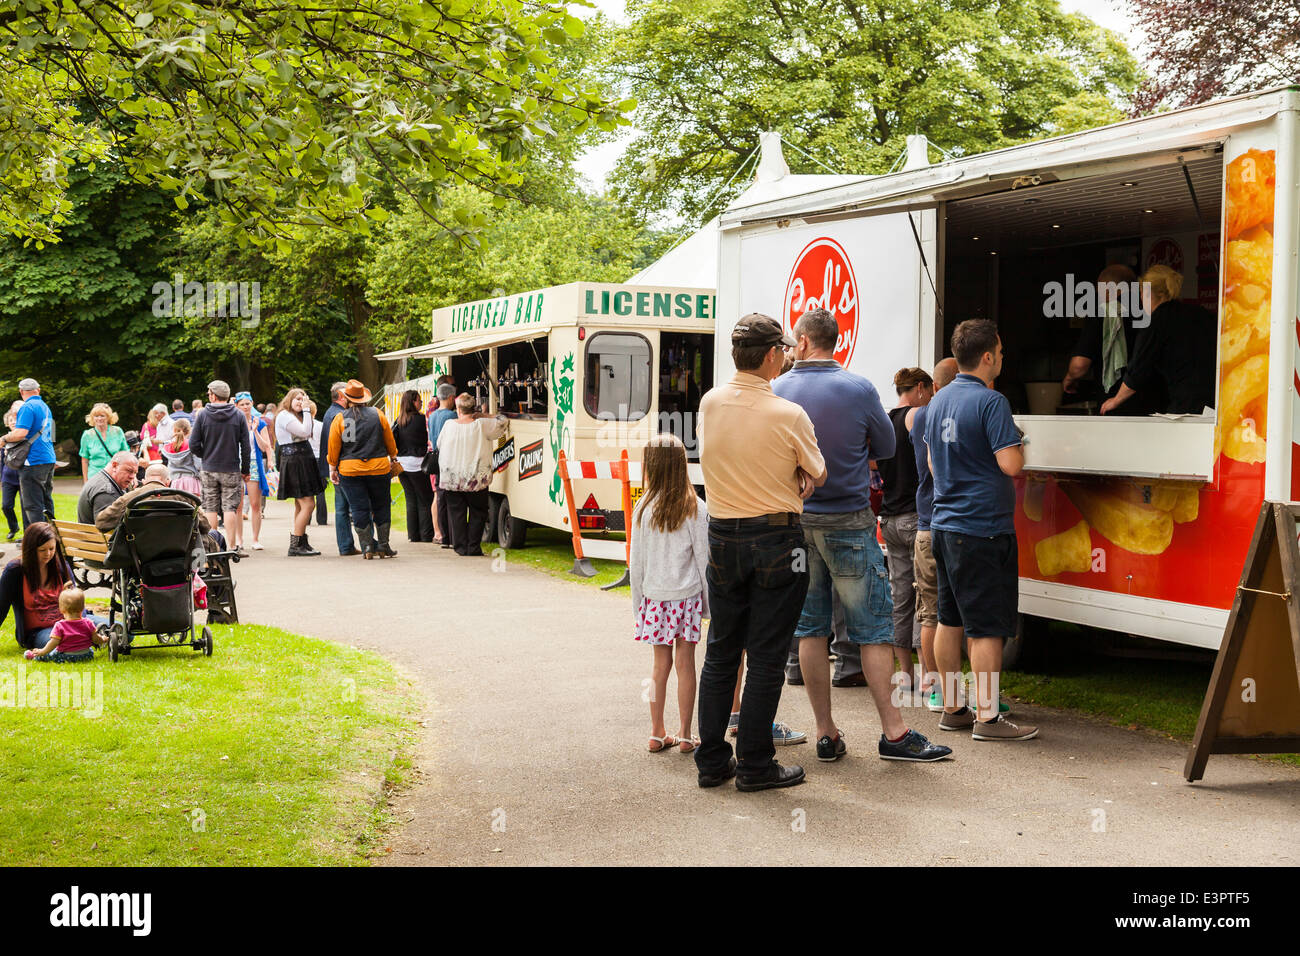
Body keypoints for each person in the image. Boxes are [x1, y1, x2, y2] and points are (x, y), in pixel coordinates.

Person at [774, 308, 951, 764]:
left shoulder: (778, 389)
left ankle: (825, 732)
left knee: (810, 630)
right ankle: (893, 734)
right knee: (872, 630)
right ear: (834, 341)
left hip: (797, 523)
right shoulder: (858, 388)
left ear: (804, 341)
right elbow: (888, 447)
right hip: (849, 521)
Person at [695, 314, 825, 793]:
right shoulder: (788, 414)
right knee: (768, 656)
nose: (787, 357)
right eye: (783, 351)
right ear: (772, 356)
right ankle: (754, 764)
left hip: (723, 536)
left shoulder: (709, 403)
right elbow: (818, 472)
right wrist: (796, 480)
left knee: (721, 652)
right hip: (776, 539)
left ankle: (712, 762)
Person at [925, 319, 1038, 740]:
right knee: (988, 626)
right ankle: (988, 719)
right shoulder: (992, 403)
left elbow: (935, 466)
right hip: (983, 528)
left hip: (943, 523)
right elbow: (1011, 464)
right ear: (987, 356)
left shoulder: (937, 401)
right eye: (1002, 353)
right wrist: (1019, 442)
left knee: (949, 621)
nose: (1002, 360)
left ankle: (953, 708)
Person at [629, 434, 709, 754]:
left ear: (651, 466)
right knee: (686, 664)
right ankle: (687, 734)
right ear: (681, 465)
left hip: (654, 598)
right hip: (686, 597)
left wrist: (639, 607)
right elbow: (705, 560)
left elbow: (636, 563)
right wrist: (708, 606)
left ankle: (656, 731)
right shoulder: (695, 507)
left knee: (658, 669)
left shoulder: (642, 508)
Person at [875, 367, 934, 694]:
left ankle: (906, 673)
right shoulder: (918, 416)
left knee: (900, 597)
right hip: (915, 515)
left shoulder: (885, 420)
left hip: (890, 518)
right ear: (921, 388)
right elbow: (928, 463)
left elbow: (873, 463)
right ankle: (927, 675)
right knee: (924, 595)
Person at [906, 357, 959, 710]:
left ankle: (934, 687)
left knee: (930, 612)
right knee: (948, 613)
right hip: (948, 522)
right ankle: (946, 689)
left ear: (933, 386)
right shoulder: (949, 413)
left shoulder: (921, 415)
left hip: (926, 523)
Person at [1101, 265, 1217, 416]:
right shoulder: (1200, 313)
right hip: (1215, 403)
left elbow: (1138, 368)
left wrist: (1116, 400)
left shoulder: (1156, 321)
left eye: (1142, 294)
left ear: (1147, 293)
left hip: (1186, 407)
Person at [327, 379, 400, 559]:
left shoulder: (340, 418)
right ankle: (383, 545)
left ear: (347, 398)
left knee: (359, 508)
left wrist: (333, 468)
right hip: (378, 468)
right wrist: (393, 456)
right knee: (382, 505)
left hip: (350, 470)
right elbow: (389, 441)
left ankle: (367, 547)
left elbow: (333, 447)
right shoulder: (378, 414)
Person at [436, 394, 508, 557]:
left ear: (458, 409)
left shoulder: (448, 425)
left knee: (456, 512)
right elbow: (503, 420)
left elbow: (439, 444)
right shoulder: (482, 425)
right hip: (476, 478)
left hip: (453, 478)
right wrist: (484, 414)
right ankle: (473, 546)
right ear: (473, 408)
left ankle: (460, 546)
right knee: (478, 511)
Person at [190, 380, 251, 553]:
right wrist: (245, 470)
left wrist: (206, 455)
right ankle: (231, 547)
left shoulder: (202, 415)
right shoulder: (238, 415)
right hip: (231, 468)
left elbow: (193, 444)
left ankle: (213, 547)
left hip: (209, 468)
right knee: (229, 508)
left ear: (213, 395)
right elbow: (245, 447)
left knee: (210, 507)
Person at [0, 522, 76, 649]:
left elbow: (76, 599)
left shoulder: (60, 565)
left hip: (71, 622)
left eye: (52, 549)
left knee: (116, 627)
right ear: (30, 549)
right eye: (42, 550)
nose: (48, 554)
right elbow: (1, 607)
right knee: (64, 641)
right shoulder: (15, 570)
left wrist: (82, 624)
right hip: (39, 632)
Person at [275, 388, 325, 556]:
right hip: (296, 460)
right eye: (297, 399)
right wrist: (306, 409)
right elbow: (305, 432)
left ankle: (301, 540)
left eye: (303, 399)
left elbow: (308, 432)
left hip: (302, 458)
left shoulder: (295, 416)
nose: (300, 402)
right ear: (289, 399)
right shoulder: (285, 415)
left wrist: (305, 411)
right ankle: (296, 544)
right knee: (309, 503)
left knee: (300, 503)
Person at [1, 378, 57, 527]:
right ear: (38, 390)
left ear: (21, 392)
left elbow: (20, 433)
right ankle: (54, 540)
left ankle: (40, 545)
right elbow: (52, 435)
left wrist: (3, 439)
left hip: (33, 460)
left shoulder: (27, 407)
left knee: (33, 506)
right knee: (46, 503)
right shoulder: (45, 407)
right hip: (48, 458)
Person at [320, 383, 358, 556]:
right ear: (342, 396)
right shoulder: (342, 415)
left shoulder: (329, 413)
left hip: (335, 465)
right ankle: (366, 543)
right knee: (357, 506)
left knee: (341, 508)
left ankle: (345, 546)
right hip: (345, 466)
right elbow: (349, 442)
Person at [393, 389, 435, 544]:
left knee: (410, 499)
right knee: (425, 500)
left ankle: (413, 535)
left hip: (402, 465)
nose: (421, 403)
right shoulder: (421, 419)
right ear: (412, 402)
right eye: (419, 400)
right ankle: (426, 535)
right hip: (418, 464)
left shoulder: (399, 420)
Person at [24, 586, 104, 663]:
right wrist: (103, 639)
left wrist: (43, 651)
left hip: (66, 656)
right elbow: (96, 639)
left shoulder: (60, 625)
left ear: (61, 609)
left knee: (49, 654)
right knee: (89, 649)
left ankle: (33, 656)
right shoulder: (88, 623)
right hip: (86, 655)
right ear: (83, 608)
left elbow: (53, 642)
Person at [234, 391, 272, 549]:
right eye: (242, 404)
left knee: (256, 504)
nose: (245, 407)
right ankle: (238, 539)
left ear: (252, 404)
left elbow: (265, 447)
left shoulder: (260, 422)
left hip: (254, 464)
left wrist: (255, 430)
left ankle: (255, 539)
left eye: (247, 404)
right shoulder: (233, 423)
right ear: (236, 406)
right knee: (238, 505)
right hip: (236, 464)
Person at [427, 384, 457, 548]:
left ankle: (444, 536)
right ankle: (452, 536)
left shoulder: (432, 416)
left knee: (440, 499)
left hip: (436, 461)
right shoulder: (451, 416)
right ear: (452, 397)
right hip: (449, 460)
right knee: (451, 499)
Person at [76, 451, 138, 524]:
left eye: (135, 473)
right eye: (129, 471)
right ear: (114, 466)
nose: (132, 477)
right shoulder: (106, 490)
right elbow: (106, 525)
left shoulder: (100, 479)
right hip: (97, 535)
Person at [79, 403, 130, 480]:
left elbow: (126, 454)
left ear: (108, 417)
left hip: (115, 475)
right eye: (96, 416)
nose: (99, 419)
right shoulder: (87, 435)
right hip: (95, 476)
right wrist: (86, 481)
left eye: (102, 416)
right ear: (93, 418)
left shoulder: (118, 431)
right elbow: (84, 460)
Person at [159, 417, 202, 496]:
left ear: (174, 430)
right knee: (194, 507)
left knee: (179, 507)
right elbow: (199, 465)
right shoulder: (192, 445)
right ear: (189, 431)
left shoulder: (170, 447)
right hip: (192, 482)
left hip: (175, 482)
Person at [2, 401, 23, 541]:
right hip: (8, 479)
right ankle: (13, 527)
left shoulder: (23, 437)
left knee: (26, 507)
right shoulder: (3, 441)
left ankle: (28, 532)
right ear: (7, 423)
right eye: (11, 420)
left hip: (23, 477)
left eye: (16, 420)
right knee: (6, 506)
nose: (13, 422)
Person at [309, 403, 329, 527]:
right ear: (315, 411)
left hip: (307, 459)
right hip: (319, 458)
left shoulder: (300, 426)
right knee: (320, 490)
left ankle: (306, 518)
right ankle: (322, 519)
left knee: (307, 490)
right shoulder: (321, 426)